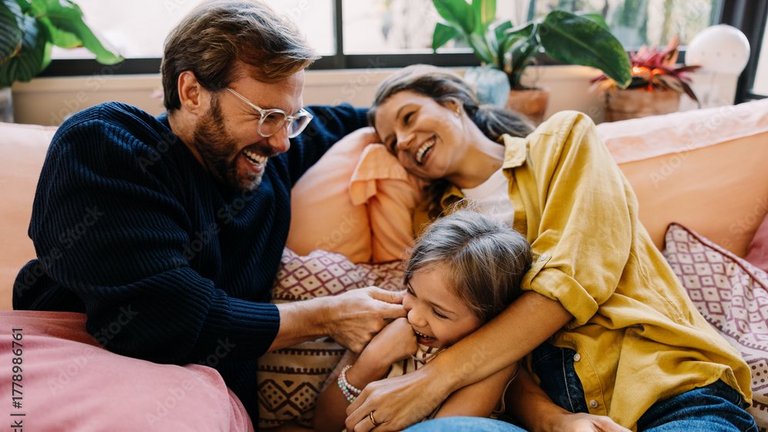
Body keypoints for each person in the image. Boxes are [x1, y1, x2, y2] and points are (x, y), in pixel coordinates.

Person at [12, 0, 405, 422]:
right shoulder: (106, 144)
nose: (281, 142)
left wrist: (452, 125)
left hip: (200, 399)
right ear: (192, 92)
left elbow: (379, 115)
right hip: (67, 360)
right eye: (267, 115)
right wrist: (327, 315)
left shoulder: (268, 159)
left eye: (292, 119)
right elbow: (159, 317)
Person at [342, 64, 757, 432]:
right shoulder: (436, 225)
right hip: (545, 413)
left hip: (668, 387)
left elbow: (573, 279)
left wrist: (432, 380)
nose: (404, 141)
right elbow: (491, 354)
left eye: (409, 117)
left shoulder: (562, 141)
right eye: (392, 142)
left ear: (452, 104)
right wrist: (553, 420)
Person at [313, 209, 532, 431]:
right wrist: (371, 361)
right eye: (411, 291)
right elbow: (323, 424)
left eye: (439, 313)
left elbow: (446, 429)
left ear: (491, 318)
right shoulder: (383, 325)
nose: (414, 317)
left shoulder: (489, 365)